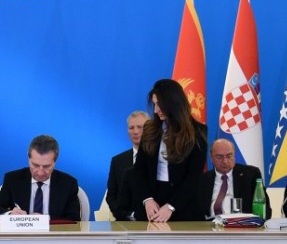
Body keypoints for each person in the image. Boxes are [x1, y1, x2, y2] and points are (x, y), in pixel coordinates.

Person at [133, 79, 208, 222]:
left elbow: (194, 177)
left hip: (184, 208)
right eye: (154, 104)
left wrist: (171, 206)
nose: (156, 110)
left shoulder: (197, 132)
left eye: (159, 104)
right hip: (152, 208)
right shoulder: (149, 129)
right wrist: (147, 200)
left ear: (173, 103)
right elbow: (139, 171)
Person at [0, 135, 81, 221]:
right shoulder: (13, 179)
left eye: (46, 166)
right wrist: (10, 214)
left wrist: (45, 219)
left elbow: (74, 220)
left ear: (55, 162)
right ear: (29, 159)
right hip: (21, 233)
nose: (40, 172)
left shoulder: (69, 184)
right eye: (35, 165)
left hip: (54, 234)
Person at [198, 139, 272, 219]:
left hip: (242, 224)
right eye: (219, 157)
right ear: (211, 157)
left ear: (234, 155)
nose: (225, 161)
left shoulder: (251, 175)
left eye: (229, 156)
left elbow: (265, 209)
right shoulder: (203, 179)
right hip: (209, 225)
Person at [107, 111, 149, 220]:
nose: (135, 131)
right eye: (131, 128)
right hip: (126, 221)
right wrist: (129, 215)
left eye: (140, 127)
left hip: (156, 221)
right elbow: (111, 196)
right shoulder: (117, 161)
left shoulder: (161, 159)